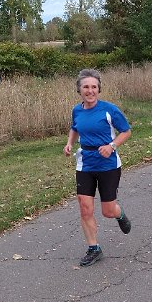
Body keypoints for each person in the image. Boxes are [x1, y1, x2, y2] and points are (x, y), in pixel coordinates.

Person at [63, 69, 132, 267]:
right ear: (79, 90)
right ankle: (94, 248)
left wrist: (112, 146)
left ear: (99, 89)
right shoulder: (77, 110)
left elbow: (126, 131)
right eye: (86, 87)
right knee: (85, 208)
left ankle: (119, 214)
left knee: (108, 211)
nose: (90, 91)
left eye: (94, 87)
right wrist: (69, 143)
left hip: (108, 164)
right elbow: (75, 127)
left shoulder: (109, 109)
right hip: (85, 163)